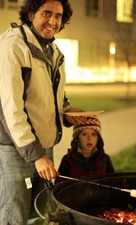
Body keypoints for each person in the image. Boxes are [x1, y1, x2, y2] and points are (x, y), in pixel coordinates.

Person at [0, 0, 84, 224]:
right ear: (30, 15)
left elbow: (52, 96)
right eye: (46, 14)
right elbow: (10, 108)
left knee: (32, 214)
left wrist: (67, 112)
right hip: (16, 148)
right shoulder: (13, 46)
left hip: (43, 146)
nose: (53, 21)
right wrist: (36, 154)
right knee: (13, 215)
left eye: (58, 16)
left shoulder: (53, 50)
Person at [55, 116, 115, 183]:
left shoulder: (104, 159)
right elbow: (59, 185)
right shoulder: (68, 160)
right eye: (84, 134)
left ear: (98, 138)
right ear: (77, 138)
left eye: (93, 134)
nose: (90, 138)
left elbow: (113, 184)